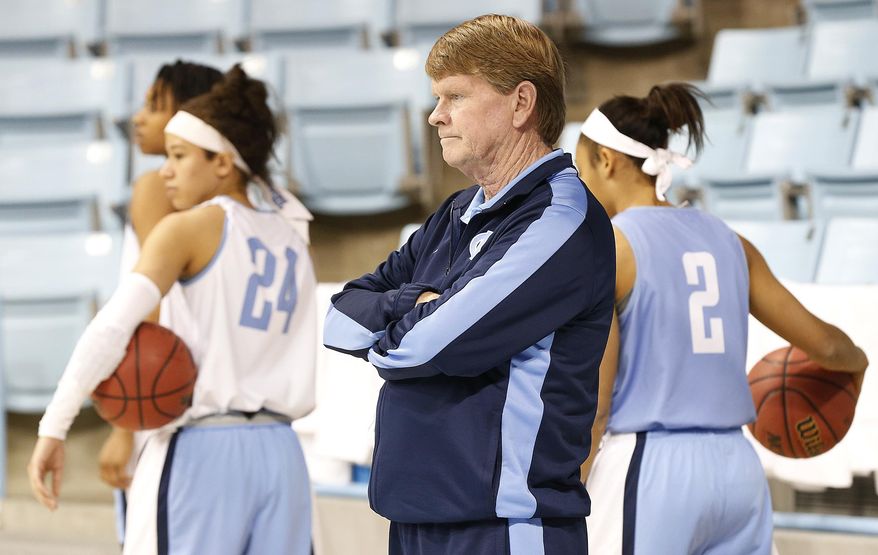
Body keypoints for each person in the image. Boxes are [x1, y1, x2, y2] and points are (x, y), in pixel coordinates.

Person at [323, 14, 615, 555]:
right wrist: (416, 302)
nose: (435, 116)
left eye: (454, 96)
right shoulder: (457, 212)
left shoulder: (559, 218)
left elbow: (424, 348)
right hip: (414, 518)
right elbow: (339, 317)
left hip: (506, 528)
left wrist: (395, 328)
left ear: (521, 103)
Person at [28, 65, 317, 555]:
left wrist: (53, 427)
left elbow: (113, 327)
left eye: (179, 156)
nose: (165, 170)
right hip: (283, 454)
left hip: (203, 452)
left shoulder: (188, 228)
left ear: (222, 163)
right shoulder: (294, 232)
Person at [576, 83, 869, 554]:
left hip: (650, 464)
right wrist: (857, 364)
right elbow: (831, 348)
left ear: (606, 161)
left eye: (580, 165)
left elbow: (597, 401)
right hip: (736, 469)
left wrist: (571, 485)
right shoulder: (729, 240)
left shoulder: (611, 247)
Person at [98, 60, 224, 541]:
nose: (138, 117)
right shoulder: (241, 201)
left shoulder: (154, 186)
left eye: (155, 106)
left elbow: (150, 299)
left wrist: (122, 427)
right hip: (207, 396)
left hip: (159, 393)